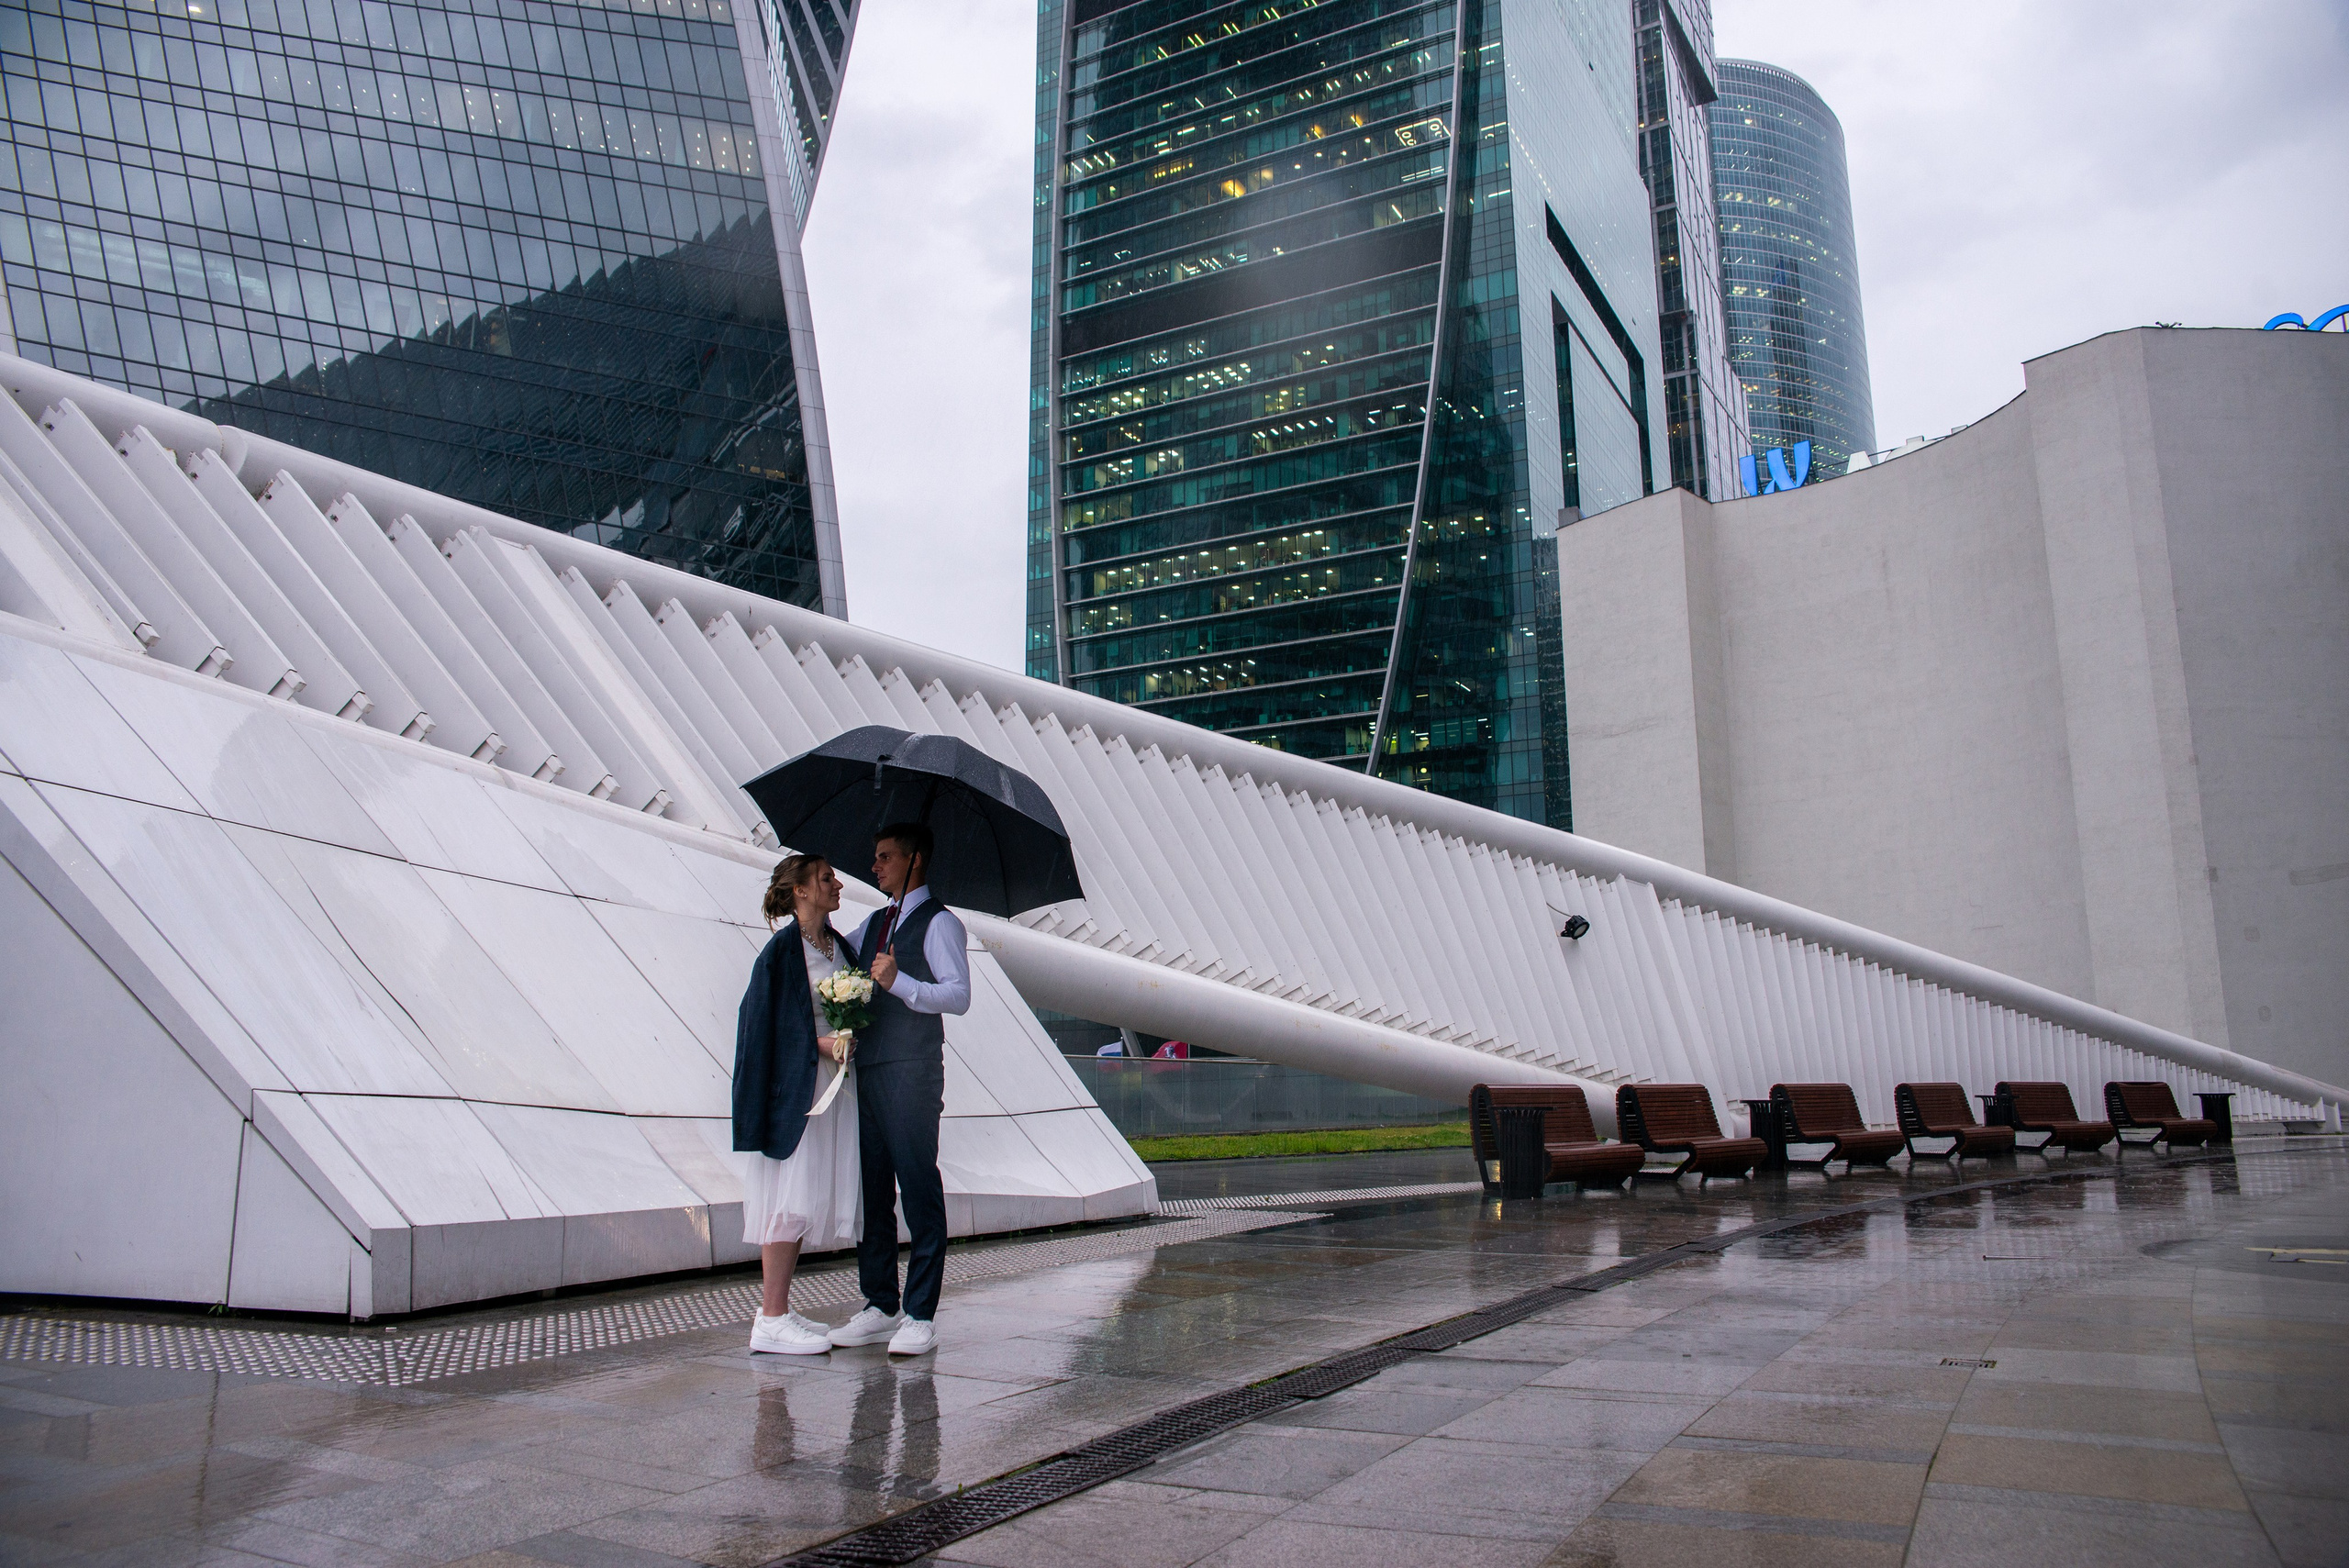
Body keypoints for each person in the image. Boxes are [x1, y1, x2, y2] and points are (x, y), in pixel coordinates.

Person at [826, 821, 970, 1356]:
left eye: (884, 857)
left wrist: (900, 983)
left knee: (918, 1187)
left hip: (913, 1071)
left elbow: (958, 997)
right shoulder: (876, 921)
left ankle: (920, 1313)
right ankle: (880, 1304)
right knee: (874, 1189)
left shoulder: (941, 925)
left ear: (914, 861)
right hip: (874, 1069)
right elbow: (844, 959)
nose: (874, 866)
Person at [732, 853, 861, 1356]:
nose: (838, 884)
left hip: (833, 1088)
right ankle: (769, 1319)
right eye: (827, 878)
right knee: (787, 1198)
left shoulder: (837, 947)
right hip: (800, 1092)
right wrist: (823, 1045)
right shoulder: (781, 953)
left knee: (801, 1197)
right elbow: (761, 1027)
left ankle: (780, 1309)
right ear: (801, 891)